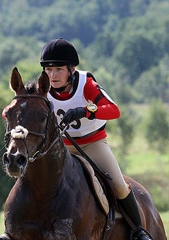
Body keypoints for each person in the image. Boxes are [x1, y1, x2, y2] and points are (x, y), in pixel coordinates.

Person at [39, 38, 153, 240]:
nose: (53, 75)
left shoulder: (86, 84)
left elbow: (114, 110)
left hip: (92, 144)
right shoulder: (42, 89)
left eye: (58, 69)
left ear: (71, 69)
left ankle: (138, 230)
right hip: (60, 148)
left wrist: (85, 110)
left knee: (118, 184)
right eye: (48, 70)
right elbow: (11, 110)